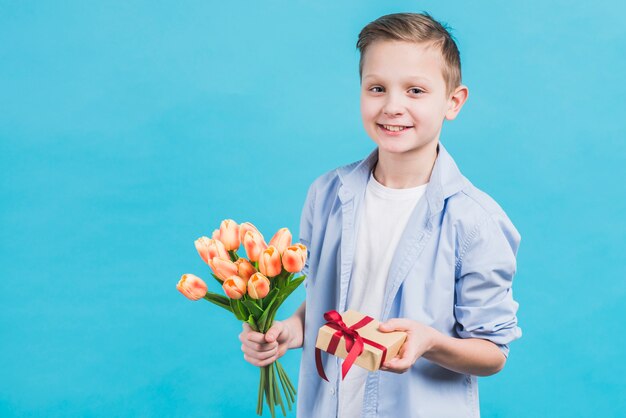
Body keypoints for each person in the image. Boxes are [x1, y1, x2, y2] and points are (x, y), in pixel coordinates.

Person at [239, 12, 521, 418]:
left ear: (453, 102)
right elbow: (325, 299)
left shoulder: (475, 221)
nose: (392, 106)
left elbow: (493, 352)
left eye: (415, 90)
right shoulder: (327, 194)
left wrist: (430, 342)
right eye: (377, 88)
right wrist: (289, 331)